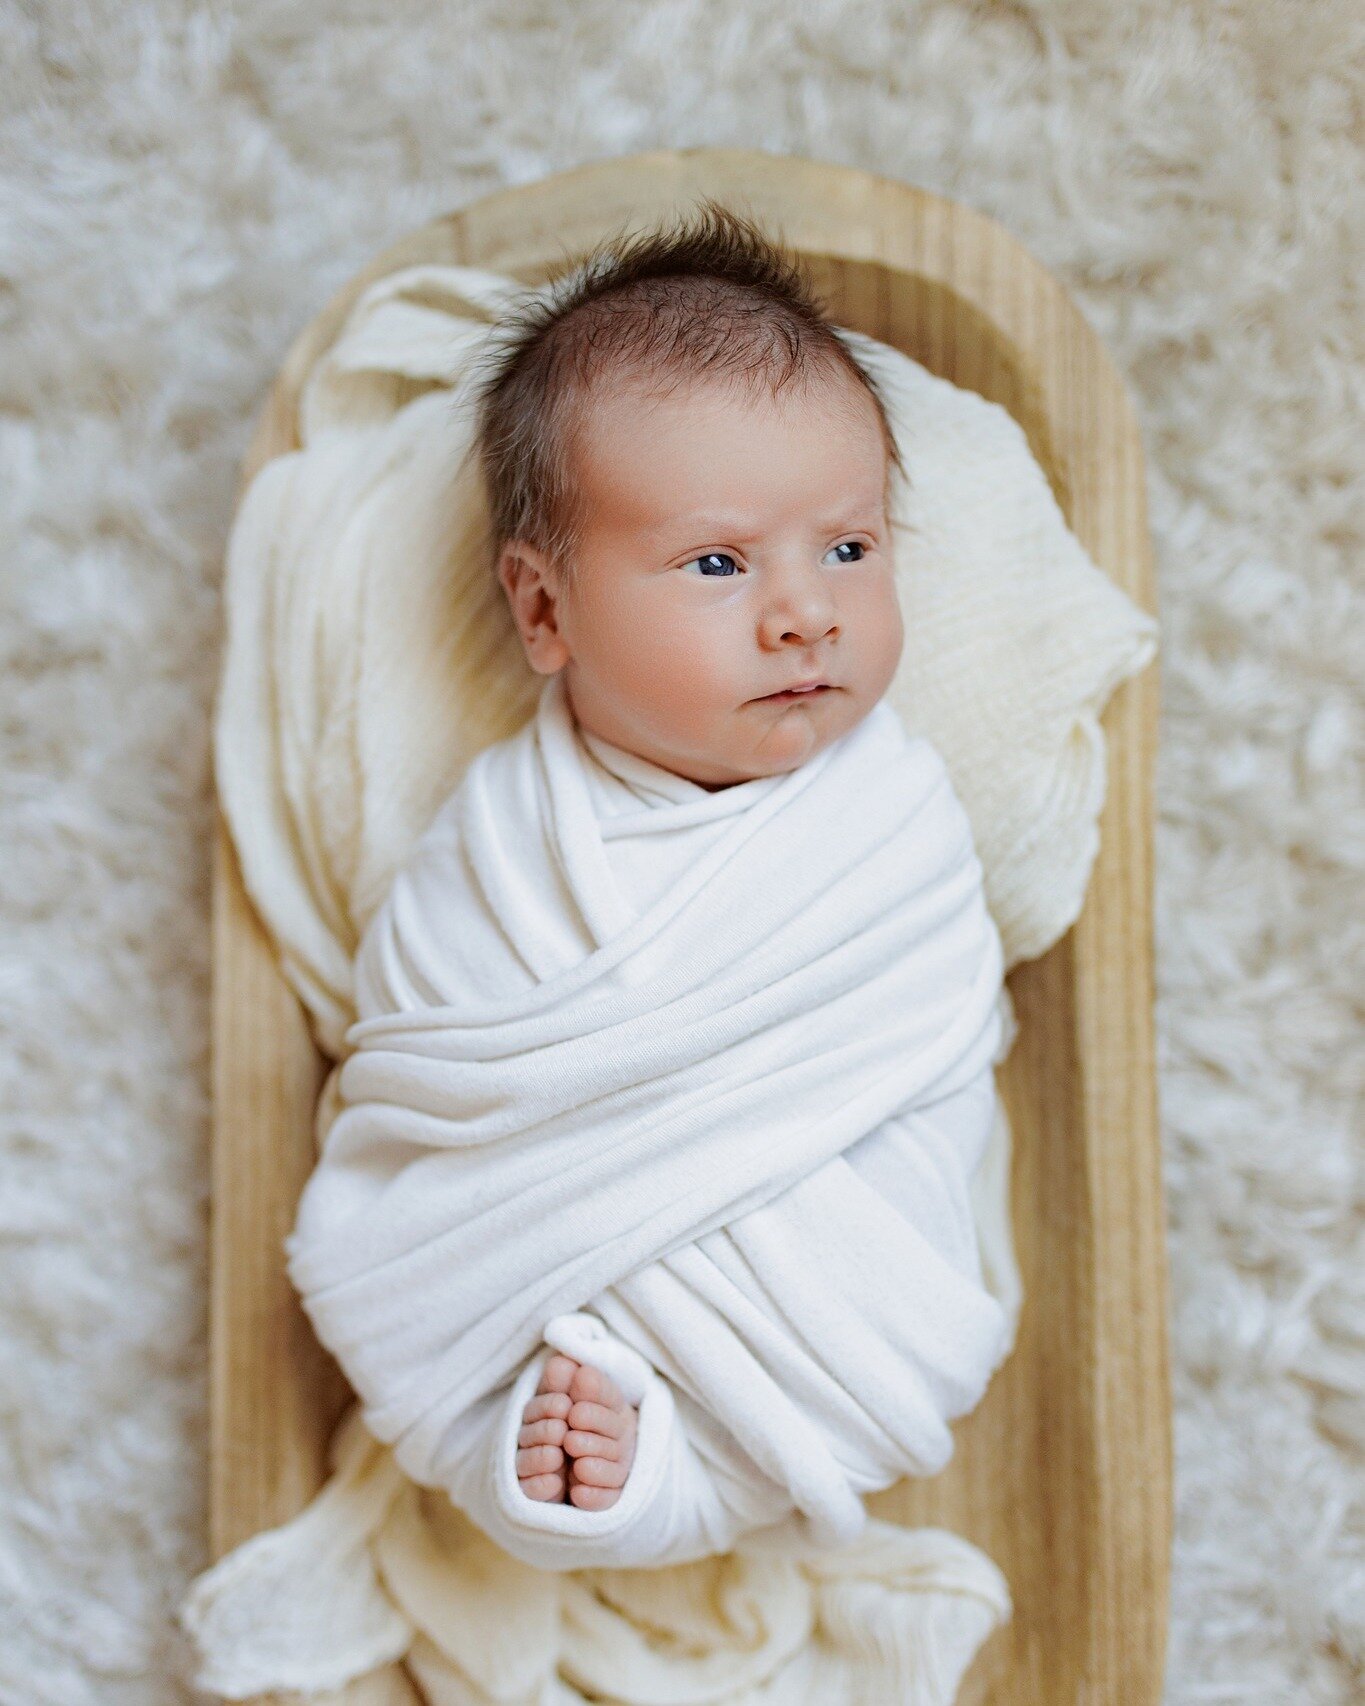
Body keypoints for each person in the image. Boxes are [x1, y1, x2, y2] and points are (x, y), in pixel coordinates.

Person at [282, 199, 1012, 1572]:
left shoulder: (890, 823)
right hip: (537, 1267)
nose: (804, 609)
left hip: (830, 1299)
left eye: (848, 547)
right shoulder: (504, 843)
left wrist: (698, 1218)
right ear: (545, 611)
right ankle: (575, 1458)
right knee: (498, 1391)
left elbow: (931, 1045)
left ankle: (658, 1458)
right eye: (720, 562)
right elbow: (431, 1066)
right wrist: (591, 1209)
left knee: (869, 1312)